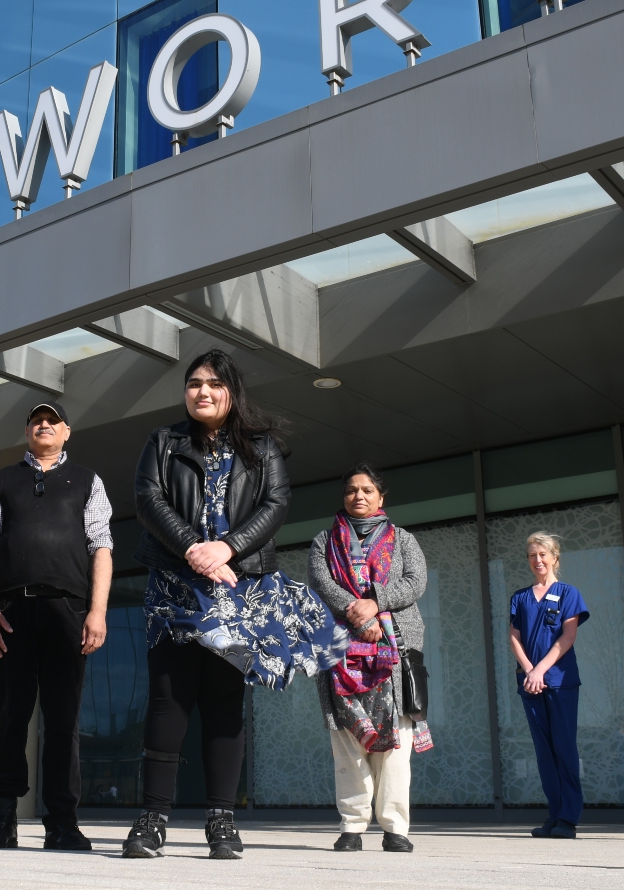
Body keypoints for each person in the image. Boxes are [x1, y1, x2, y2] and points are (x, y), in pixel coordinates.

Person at [122, 349, 347, 861]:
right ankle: (153, 818)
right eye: (194, 383)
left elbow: (276, 505)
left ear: (231, 392)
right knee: (168, 700)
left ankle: (221, 820)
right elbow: (148, 499)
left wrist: (226, 548)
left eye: (213, 384)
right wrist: (194, 550)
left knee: (224, 703)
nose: (202, 391)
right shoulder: (164, 441)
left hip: (239, 589)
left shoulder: (262, 448)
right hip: (174, 589)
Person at [0, 401, 113, 851]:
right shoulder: (3, 479)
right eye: (36, 421)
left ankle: (61, 822)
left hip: (68, 612)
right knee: (11, 714)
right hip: (12, 613)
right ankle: (4, 817)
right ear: (27, 431)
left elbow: (102, 546)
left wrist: (97, 611)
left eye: (52, 421)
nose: (44, 425)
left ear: (67, 431)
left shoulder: (89, 481)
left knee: (63, 719)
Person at [308, 463, 428, 854]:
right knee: (347, 743)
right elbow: (322, 583)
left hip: (394, 653)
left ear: (381, 496)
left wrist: (374, 604)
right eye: (351, 490)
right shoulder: (324, 541)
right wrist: (358, 616)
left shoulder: (403, 539)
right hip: (341, 650)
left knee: (395, 745)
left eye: (366, 490)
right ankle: (352, 826)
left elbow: (415, 582)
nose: (358, 496)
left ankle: (395, 828)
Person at [508, 532, 590, 839]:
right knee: (544, 752)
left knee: (564, 748)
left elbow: (568, 637)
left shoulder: (568, 593)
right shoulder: (520, 597)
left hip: (559, 682)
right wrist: (530, 671)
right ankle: (554, 814)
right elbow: (514, 637)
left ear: (555, 558)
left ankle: (569, 817)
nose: (537, 560)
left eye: (543, 554)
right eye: (532, 555)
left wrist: (541, 670)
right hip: (530, 683)